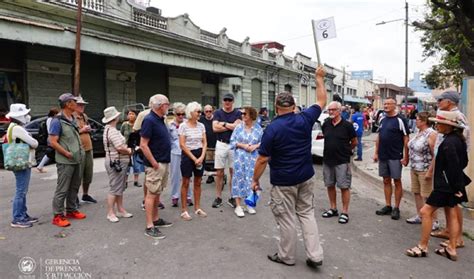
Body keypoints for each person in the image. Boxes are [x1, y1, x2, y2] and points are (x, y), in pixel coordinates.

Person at [251, 66, 327, 269]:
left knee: (286, 219)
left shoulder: (272, 129)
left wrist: (255, 179)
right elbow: (321, 101)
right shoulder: (304, 118)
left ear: (276, 108)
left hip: (283, 181)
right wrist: (319, 79)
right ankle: (315, 255)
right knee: (307, 213)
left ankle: (287, 256)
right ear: (294, 106)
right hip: (306, 176)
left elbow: (262, 159)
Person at [406, 110, 470, 261]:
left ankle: (422, 246)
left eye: (440, 123)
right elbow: (464, 162)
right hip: (453, 185)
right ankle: (452, 248)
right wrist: (458, 187)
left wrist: (456, 187)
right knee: (451, 214)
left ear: (449, 126)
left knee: (425, 212)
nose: (437, 126)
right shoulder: (458, 140)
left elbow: (453, 166)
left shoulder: (448, 143)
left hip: (446, 185)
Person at [429, 91, 470, 248]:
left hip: (451, 165)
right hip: (442, 163)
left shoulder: (458, 117)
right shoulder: (445, 113)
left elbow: (463, 141)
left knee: (454, 203)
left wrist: (456, 164)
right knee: (447, 202)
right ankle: (448, 230)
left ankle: (458, 237)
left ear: (450, 102)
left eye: (441, 99)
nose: (438, 102)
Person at [49, 93, 86, 227]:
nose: (76, 104)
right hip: (66, 160)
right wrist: (66, 153)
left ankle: (71, 210)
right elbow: (52, 141)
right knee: (62, 188)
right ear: (67, 104)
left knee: (74, 186)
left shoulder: (72, 118)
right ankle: (57, 216)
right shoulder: (57, 120)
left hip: (77, 159)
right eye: (74, 102)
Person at [140, 94, 173, 239]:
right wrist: (154, 163)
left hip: (163, 162)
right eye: (167, 104)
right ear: (160, 106)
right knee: (151, 194)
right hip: (156, 164)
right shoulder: (149, 120)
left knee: (157, 192)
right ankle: (149, 225)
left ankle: (156, 219)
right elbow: (143, 144)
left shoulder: (160, 119)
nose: (169, 106)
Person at [321, 101, 357, 224]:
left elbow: (354, 142)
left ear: (339, 111)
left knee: (344, 186)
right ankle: (333, 208)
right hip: (327, 160)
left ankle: (345, 212)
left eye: (333, 110)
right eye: (329, 110)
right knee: (329, 185)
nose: (330, 112)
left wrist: (346, 151)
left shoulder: (347, 126)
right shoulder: (325, 124)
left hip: (342, 160)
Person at [373, 97, 410, 220]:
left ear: (395, 105)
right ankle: (388, 206)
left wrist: (406, 156)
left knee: (397, 181)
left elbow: (406, 139)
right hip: (383, 155)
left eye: (389, 103)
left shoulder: (400, 120)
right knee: (386, 180)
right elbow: (379, 136)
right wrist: (376, 153)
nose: (386, 105)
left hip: (395, 155)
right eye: (385, 103)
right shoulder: (382, 119)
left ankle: (396, 207)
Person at [6, 104, 39, 228]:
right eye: (25, 114)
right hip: (21, 163)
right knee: (21, 191)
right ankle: (17, 218)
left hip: (20, 162)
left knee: (22, 190)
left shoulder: (12, 127)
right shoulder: (17, 128)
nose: (27, 117)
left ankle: (23, 214)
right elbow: (34, 143)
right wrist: (32, 140)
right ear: (19, 116)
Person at [406, 112, 439, 230]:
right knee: (417, 192)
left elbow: (435, 154)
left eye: (418, 119)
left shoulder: (431, 134)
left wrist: (430, 171)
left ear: (425, 121)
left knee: (428, 195)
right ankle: (420, 215)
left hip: (425, 169)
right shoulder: (418, 133)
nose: (416, 121)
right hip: (415, 167)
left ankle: (434, 220)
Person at [229, 106, 263, 217]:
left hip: (253, 158)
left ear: (251, 116)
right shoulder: (238, 127)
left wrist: (255, 146)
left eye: (245, 114)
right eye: (242, 114)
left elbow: (263, 142)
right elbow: (232, 142)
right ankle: (238, 206)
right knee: (239, 179)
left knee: (252, 179)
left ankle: (249, 204)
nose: (243, 116)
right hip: (240, 158)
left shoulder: (258, 128)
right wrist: (243, 145)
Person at [102, 107, 133, 223]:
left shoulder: (109, 129)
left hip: (115, 160)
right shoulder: (112, 131)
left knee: (119, 186)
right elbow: (119, 147)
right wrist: (131, 150)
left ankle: (120, 209)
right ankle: (110, 212)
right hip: (117, 161)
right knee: (115, 187)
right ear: (115, 117)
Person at [211, 93, 242, 208]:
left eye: (229, 100)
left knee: (233, 172)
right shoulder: (218, 112)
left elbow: (237, 127)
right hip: (221, 144)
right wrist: (230, 125)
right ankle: (218, 197)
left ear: (233, 101)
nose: (227, 102)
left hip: (234, 145)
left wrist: (222, 124)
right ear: (222, 101)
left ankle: (232, 197)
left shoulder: (238, 113)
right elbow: (214, 128)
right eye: (225, 100)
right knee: (219, 172)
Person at [133, 99, 164, 210]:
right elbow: (136, 130)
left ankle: (155, 201)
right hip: (149, 150)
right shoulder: (144, 115)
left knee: (155, 179)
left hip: (158, 152)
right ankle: (146, 200)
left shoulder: (161, 115)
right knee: (149, 178)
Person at [178, 101, 207, 220]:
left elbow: (204, 142)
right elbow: (182, 145)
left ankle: (197, 207)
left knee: (198, 181)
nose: (200, 113)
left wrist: (201, 156)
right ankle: (184, 210)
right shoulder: (183, 126)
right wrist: (194, 158)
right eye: (198, 111)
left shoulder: (201, 126)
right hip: (188, 155)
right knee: (185, 182)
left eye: (200, 111)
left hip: (200, 154)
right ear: (191, 112)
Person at [169, 102, 192, 207]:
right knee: (175, 175)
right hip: (175, 152)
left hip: (187, 152)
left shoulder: (188, 124)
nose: (181, 116)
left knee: (187, 175)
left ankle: (188, 196)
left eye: (183, 114)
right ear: (174, 114)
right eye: (178, 114)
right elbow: (168, 140)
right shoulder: (170, 125)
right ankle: (175, 196)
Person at [74, 96, 96, 204]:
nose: (82, 107)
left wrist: (88, 129)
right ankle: (75, 197)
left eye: (83, 105)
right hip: (79, 149)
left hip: (88, 148)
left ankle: (85, 194)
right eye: (79, 105)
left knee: (88, 174)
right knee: (78, 174)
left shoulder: (84, 116)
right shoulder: (71, 117)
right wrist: (83, 130)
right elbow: (71, 133)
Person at [121, 110, 144, 187]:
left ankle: (136, 181)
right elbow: (121, 134)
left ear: (136, 116)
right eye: (129, 114)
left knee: (136, 164)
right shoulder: (124, 125)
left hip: (136, 147)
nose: (130, 115)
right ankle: (125, 181)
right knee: (127, 164)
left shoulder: (138, 125)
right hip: (126, 147)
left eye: (132, 114)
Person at [36, 107, 59, 173]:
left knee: (51, 153)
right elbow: (50, 130)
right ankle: (40, 166)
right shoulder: (50, 120)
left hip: (51, 137)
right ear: (54, 114)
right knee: (50, 153)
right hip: (51, 138)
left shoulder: (51, 119)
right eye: (56, 113)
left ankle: (40, 166)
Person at [199, 104, 217, 184]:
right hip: (206, 144)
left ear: (212, 111)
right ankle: (210, 176)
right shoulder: (201, 120)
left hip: (216, 143)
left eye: (210, 111)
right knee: (208, 162)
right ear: (204, 112)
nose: (208, 113)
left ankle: (219, 176)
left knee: (216, 162)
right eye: (207, 111)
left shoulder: (216, 119)